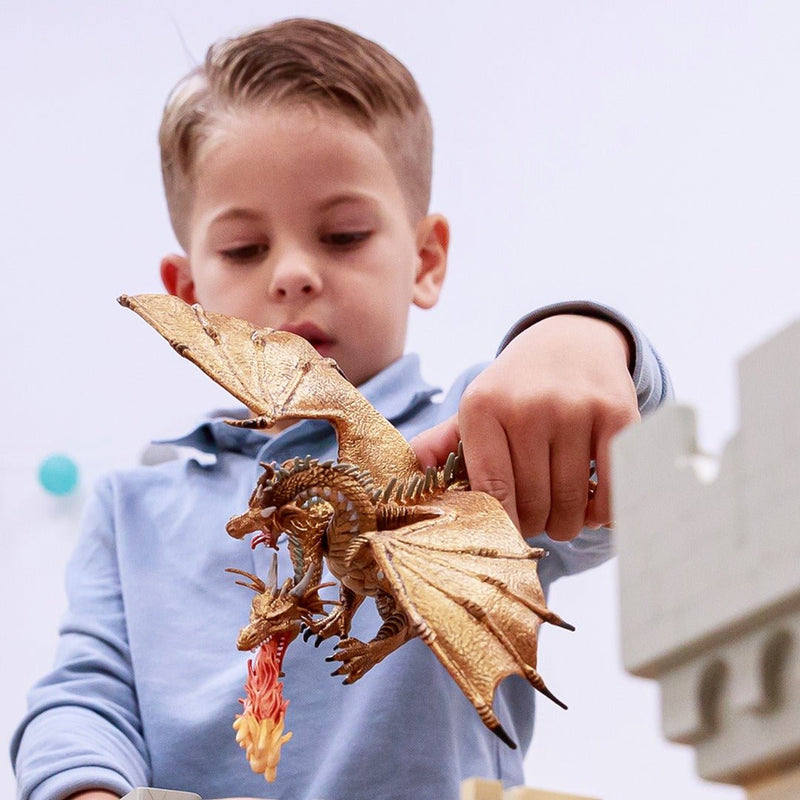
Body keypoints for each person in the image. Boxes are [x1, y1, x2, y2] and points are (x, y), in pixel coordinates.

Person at [11, 18, 672, 800]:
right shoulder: (130, 511)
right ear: (189, 289)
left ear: (425, 260)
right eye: (245, 250)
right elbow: (83, 698)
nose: (293, 273)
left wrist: (582, 336)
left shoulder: (468, 433)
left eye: (344, 235)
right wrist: (85, 787)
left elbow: (636, 462)